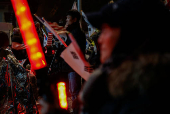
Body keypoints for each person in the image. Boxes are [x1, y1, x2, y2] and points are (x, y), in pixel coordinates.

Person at [79, 0, 170, 114]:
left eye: (106, 30)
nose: (100, 39)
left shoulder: (143, 96)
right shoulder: (124, 85)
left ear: (129, 36)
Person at [65, 9, 86, 114]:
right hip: (73, 65)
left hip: (75, 65)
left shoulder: (76, 33)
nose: (66, 20)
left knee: (74, 91)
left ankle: (76, 111)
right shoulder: (73, 32)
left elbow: (75, 50)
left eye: (68, 18)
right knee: (74, 91)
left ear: (74, 19)